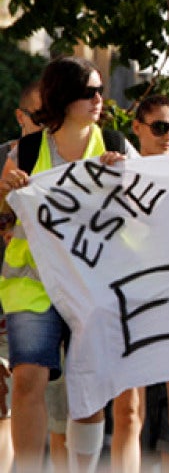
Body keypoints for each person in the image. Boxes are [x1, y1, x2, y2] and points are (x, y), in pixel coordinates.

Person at [0, 56, 139, 473]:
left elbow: (144, 218)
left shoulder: (116, 145)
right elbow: (4, 220)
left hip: (94, 288)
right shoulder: (24, 151)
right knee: (27, 381)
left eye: (101, 90)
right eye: (89, 92)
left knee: (89, 392)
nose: (100, 99)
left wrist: (126, 180)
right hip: (32, 286)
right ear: (63, 97)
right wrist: (5, 191)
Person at [110, 95, 169, 473]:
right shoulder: (118, 174)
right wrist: (107, 176)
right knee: (129, 414)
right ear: (137, 128)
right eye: (160, 127)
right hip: (132, 301)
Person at [0, 81, 44, 473]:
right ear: (20, 116)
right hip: (11, 292)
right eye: (38, 117)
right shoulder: (7, 158)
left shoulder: (75, 157)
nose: (46, 125)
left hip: (50, 300)